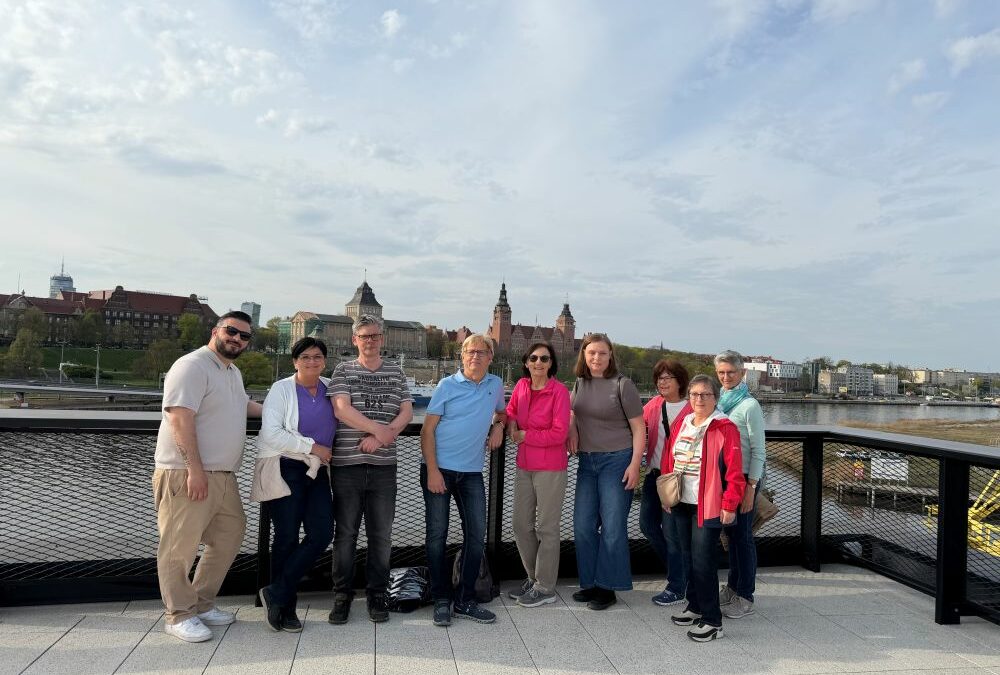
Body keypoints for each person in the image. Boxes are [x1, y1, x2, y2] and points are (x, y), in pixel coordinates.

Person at [153, 311, 263, 643]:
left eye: (244, 336)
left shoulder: (231, 371)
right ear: (216, 331)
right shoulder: (192, 365)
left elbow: (243, 405)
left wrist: (290, 408)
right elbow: (179, 419)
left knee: (230, 534)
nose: (237, 339)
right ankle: (178, 615)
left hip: (223, 474)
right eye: (232, 331)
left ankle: (200, 603)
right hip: (187, 471)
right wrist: (195, 471)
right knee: (178, 546)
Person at [327, 315, 413, 625]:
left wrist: (384, 435)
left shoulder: (396, 371)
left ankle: (377, 593)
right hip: (347, 465)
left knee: (381, 535)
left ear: (382, 338)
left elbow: (406, 411)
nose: (370, 340)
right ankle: (342, 594)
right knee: (346, 534)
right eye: (364, 336)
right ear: (355, 340)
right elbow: (341, 409)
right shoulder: (343, 370)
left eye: (375, 336)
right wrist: (381, 431)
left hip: (383, 467)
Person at [421, 333, 506, 626]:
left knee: (476, 536)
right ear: (462, 355)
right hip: (439, 469)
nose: (476, 357)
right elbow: (427, 431)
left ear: (490, 357)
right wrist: (432, 470)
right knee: (437, 535)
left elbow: (502, 413)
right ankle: (441, 598)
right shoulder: (447, 386)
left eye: (482, 352)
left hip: (471, 472)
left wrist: (498, 426)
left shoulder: (495, 385)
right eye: (470, 352)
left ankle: (465, 598)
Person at [254, 337, 336, 632]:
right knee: (287, 537)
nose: (311, 362)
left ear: (324, 361)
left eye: (317, 357)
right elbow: (272, 433)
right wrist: (313, 447)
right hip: (286, 467)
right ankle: (285, 607)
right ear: (295, 361)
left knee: (322, 532)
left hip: (317, 472)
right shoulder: (282, 389)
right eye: (305, 357)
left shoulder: (330, 388)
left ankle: (276, 591)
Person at [567, 333, 645, 611]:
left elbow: (639, 428)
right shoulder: (580, 382)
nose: (596, 358)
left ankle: (608, 587)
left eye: (602, 353)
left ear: (610, 355)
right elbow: (574, 411)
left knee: (612, 527)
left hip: (618, 460)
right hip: (588, 462)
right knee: (583, 525)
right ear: (584, 356)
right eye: (591, 353)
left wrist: (636, 464)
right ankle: (590, 582)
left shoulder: (623, 385)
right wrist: (573, 426)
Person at [665, 374, 745, 642]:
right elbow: (669, 457)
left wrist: (730, 504)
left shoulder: (724, 427)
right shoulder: (683, 423)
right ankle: (695, 605)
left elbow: (735, 471)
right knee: (687, 557)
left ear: (715, 398)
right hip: (681, 502)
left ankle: (713, 621)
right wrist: (667, 494)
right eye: (695, 394)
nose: (699, 399)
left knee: (703, 562)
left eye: (705, 395)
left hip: (707, 504)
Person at [505, 341, 571, 608]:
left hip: (550, 468)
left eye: (544, 359)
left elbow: (559, 434)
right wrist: (507, 423)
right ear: (526, 362)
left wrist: (524, 435)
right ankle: (534, 579)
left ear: (551, 363)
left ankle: (545, 587)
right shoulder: (521, 387)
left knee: (547, 528)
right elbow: (510, 411)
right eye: (534, 358)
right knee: (521, 525)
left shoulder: (560, 392)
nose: (539, 363)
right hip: (525, 465)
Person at [714, 350, 767, 619]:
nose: (726, 377)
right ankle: (733, 587)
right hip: (726, 480)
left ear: (742, 373)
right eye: (721, 373)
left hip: (745, 479)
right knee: (732, 537)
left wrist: (750, 488)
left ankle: (745, 595)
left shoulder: (749, 406)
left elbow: (758, 451)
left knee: (743, 537)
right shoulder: (719, 401)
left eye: (731, 373)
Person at [640, 359, 692, 607]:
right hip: (654, 476)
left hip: (676, 479)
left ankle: (676, 586)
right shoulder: (654, 405)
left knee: (672, 534)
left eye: (668, 377)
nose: (662, 382)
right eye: (659, 378)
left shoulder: (692, 408)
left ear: (680, 381)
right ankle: (681, 572)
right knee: (648, 525)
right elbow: (635, 425)